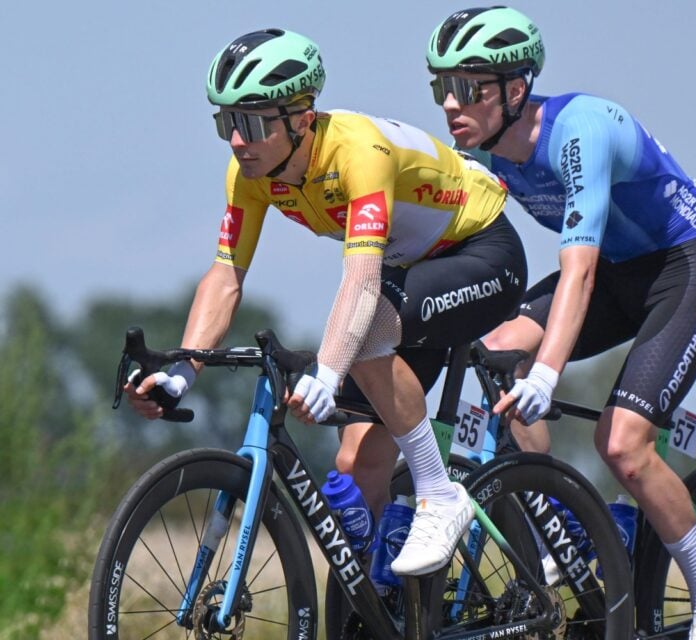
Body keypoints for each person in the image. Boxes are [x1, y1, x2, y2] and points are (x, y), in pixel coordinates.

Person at [123, 28, 527, 577]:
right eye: (227, 124)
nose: (238, 141)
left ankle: (441, 493)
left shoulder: (360, 153)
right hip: (406, 275)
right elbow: (225, 278)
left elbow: (361, 281)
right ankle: (392, 603)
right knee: (356, 466)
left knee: (362, 335)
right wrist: (183, 371)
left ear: (302, 118)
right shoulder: (252, 175)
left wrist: (328, 372)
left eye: (253, 123)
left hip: (481, 252)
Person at [424, 7, 696, 638]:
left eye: (469, 88)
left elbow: (580, 272)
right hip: (618, 273)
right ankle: (563, 528)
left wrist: (548, 373)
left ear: (516, 90)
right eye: (442, 87)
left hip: (685, 267)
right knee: (493, 351)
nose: (451, 104)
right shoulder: (482, 153)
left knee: (621, 444)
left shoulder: (579, 132)